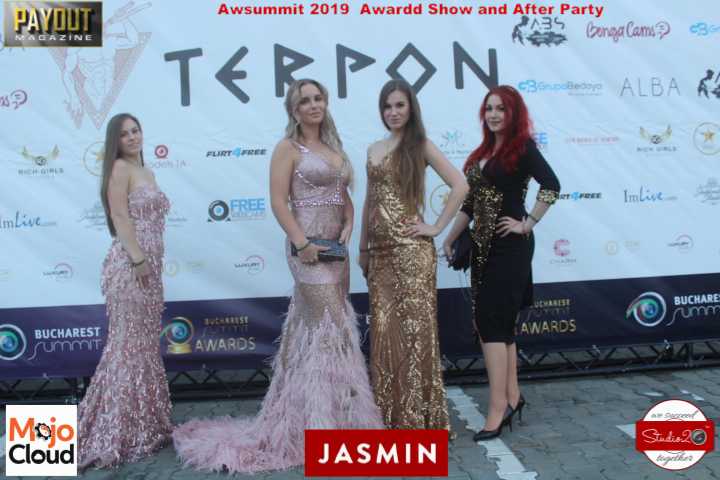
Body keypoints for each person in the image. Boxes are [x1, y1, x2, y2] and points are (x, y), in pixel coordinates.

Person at [172, 79, 382, 474]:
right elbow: (278, 201)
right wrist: (301, 243)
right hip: (306, 252)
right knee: (328, 330)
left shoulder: (333, 147)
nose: (313, 105)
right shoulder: (288, 148)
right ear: (294, 110)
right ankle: (320, 427)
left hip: (335, 253)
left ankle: (322, 420)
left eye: (318, 98)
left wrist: (349, 224)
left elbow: (343, 196)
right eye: (305, 101)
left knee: (318, 333)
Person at [443, 85, 560, 441]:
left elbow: (551, 185)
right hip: (483, 248)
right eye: (489, 108)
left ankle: (497, 409)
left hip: (510, 248)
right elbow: (469, 204)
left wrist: (528, 223)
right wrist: (449, 238)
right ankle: (512, 397)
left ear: (514, 114)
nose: (493, 115)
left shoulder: (522, 148)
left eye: (501, 109)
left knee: (492, 324)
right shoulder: (483, 151)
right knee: (497, 326)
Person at [358, 79, 468, 430]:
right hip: (379, 255)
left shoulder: (420, 145)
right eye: (387, 106)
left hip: (411, 255)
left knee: (414, 336)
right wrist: (363, 248)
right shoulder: (373, 149)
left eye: (399, 105)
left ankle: (419, 421)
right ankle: (390, 419)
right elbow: (370, 201)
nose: (393, 112)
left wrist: (435, 227)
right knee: (384, 337)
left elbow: (461, 185)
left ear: (411, 109)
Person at [78, 113, 173, 469]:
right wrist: (137, 259)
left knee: (142, 347)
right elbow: (120, 217)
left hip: (150, 271)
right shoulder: (119, 169)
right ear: (114, 142)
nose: (133, 137)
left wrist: (148, 265)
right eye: (124, 134)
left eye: (136, 130)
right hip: (131, 269)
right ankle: (112, 429)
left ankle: (140, 424)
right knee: (126, 348)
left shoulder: (145, 170)